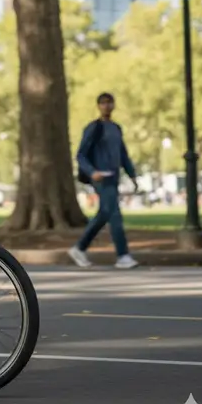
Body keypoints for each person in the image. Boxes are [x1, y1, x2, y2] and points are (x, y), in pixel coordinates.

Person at [68, 92, 139, 270]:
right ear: (98, 106)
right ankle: (123, 255)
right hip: (100, 178)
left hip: (114, 177)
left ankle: (79, 248)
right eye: (103, 103)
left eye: (109, 103)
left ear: (114, 105)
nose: (106, 106)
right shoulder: (94, 128)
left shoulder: (116, 128)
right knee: (114, 214)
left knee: (103, 215)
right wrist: (92, 172)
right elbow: (81, 154)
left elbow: (123, 154)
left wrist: (132, 175)